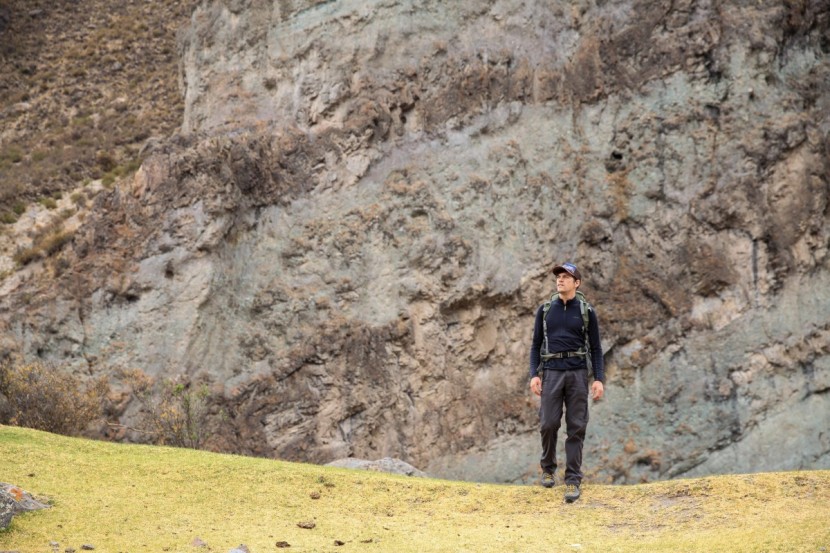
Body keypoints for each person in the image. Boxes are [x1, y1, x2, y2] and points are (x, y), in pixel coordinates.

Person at [529, 262, 604, 502]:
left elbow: (596, 348)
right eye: (558, 277)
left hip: (578, 374)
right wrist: (534, 374)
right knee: (548, 423)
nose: (560, 280)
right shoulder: (545, 310)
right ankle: (548, 469)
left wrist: (598, 379)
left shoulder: (586, 311)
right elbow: (535, 345)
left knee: (576, 426)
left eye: (565, 277)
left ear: (576, 283)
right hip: (551, 373)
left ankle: (573, 480)